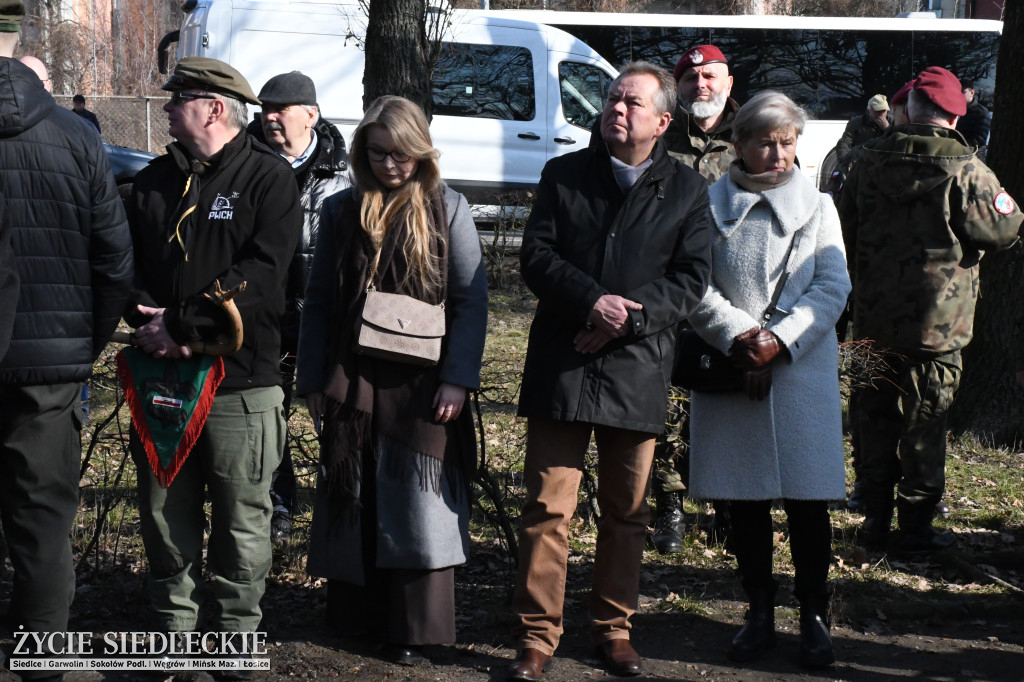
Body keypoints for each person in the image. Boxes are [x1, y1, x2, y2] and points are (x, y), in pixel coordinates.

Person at [509, 61, 712, 680]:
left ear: (662, 122)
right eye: (613, 99)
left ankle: (613, 629)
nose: (617, 110)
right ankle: (537, 637)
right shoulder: (564, 174)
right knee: (548, 509)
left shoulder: (686, 190)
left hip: (637, 368)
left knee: (627, 511)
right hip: (564, 363)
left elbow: (692, 278)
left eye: (632, 103)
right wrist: (590, 300)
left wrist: (631, 317)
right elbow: (537, 256)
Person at [295, 95, 487, 665]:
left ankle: (412, 628)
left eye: (400, 154)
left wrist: (458, 379)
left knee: (417, 502)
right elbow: (320, 304)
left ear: (421, 151)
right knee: (357, 489)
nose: (389, 165)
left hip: (425, 384)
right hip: (352, 376)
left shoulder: (449, 208)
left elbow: (470, 301)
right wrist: (312, 380)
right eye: (377, 153)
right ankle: (357, 617)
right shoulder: (340, 210)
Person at [124, 56, 301, 670]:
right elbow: (124, 266)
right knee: (163, 515)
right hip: (163, 383)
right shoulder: (151, 182)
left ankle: (231, 645)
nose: (167, 109)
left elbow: (264, 277)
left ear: (214, 108)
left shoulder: (268, 181)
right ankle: (173, 641)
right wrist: (142, 315)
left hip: (240, 386)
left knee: (240, 524)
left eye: (178, 100)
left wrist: (183, 328)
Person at [687, 91, 850, 669]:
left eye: (788, 143)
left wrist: (775, 344)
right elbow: (694, 285)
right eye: (765, 142)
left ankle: (814, 615)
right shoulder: (707, 205)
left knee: (808, 504)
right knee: (746, 500)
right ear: (740, 145)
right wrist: (740, 339)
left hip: (799, 371)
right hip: (732, 367)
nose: (779, 154)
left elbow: (832, 287)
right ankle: (758, 611)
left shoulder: (819, 207)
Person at [837, 67, 1021, 557]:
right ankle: (916, 526)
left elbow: (841, 228)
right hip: (937, 327)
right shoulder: (968, 169)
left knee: (872, 418)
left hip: (872, 320)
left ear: (910, 108)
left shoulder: (863, 159)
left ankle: (873, 517)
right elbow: (1002, 232)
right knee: (925, 423)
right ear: (955, 116)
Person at [1, 2, 133, 678]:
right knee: (44, 519)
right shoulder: (77, 138)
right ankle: (42, 655)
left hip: (51, 356)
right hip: (51, 365)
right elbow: (114, 261)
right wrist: (85, 344)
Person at [246, 70, 351, 543]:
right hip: (261, 321)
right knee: (269, 423)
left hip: (324, 321)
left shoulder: (344, 173)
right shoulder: (243, 164)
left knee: (337, 421)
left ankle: (340, 518)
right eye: (264, 108)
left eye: (280, 108)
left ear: (311, 114)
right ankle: (277, 511)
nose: (269, 117)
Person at [650, 44, 741, 554]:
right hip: (669, 292)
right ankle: (669, 510)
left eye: (710, 76)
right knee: (669, 404)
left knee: (725, 400)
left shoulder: (750, 138)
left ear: (729, 83)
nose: (700, 85)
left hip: (732, 294)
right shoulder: (659, 138)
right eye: (690, 78)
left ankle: (728, 504)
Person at [835, 94, 890, 168]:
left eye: (884, 111)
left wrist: (887, 128)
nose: (881, 114)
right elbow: (844, 142)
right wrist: (845, 161)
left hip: (884, 164)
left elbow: (899, 142)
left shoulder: (892, 122)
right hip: (863, 164)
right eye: (877, 111)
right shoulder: (856, 123)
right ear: (868, 111)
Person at [956, 79, 991, 151]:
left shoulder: (980, 113)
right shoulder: (950, 108)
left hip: (965, 156)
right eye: (956, 92)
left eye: (962, 92)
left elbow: (978, 141)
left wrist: (957, 150)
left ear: (972, 93)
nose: (958, 95)